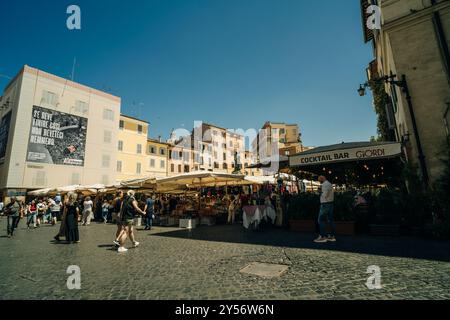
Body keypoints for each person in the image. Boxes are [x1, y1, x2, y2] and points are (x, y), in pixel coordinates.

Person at [314, 175, 336, 243]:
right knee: (330, 220)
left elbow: (324, 195)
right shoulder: (329, 184)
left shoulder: (324, 185)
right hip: (330, 204)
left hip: (325, 204)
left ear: (322, 179)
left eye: (319, 180)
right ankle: (332, 236)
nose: (319, 181)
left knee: (320, 220)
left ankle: (323, 236)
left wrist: (319, 191)